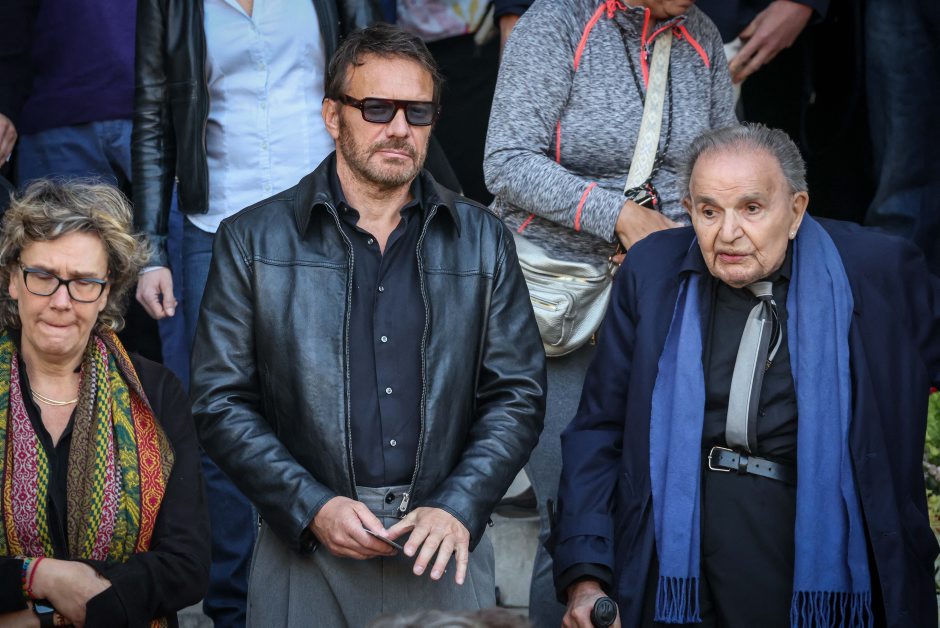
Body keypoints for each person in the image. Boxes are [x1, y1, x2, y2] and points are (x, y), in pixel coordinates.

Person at [191, 24, 545, 627]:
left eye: (417, 111)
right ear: (333, 116)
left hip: (442, 541)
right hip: (307, 544)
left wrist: (459, 504)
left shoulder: (485, 240)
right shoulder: (252, 241)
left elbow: (517, 393)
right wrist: (310, 505)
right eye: (377, 108)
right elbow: (219, 401)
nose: (399, 128)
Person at [551, 124, 940, 627]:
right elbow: (600, 429)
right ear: (688, 211)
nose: (728, 233)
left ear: (796, 210)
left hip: (813, 549)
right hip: (679, 553)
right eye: (709, 211)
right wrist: (585, 576)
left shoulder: (878, 271)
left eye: (751, 208)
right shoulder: (653, 272)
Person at [483, 1, 736, 625]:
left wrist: (676, 238)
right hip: (554, 306)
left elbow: (723, 167)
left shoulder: (701, 37)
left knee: (650, 506)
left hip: (661, 301)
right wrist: (619, 218)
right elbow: (506, 160)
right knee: (571, 519)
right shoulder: (559, 21)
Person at [132, 0, 352, 623]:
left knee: (331, 403)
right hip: (215, 221)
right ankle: (234, 606)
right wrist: (151, 248)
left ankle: (327, 588)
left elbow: (374, 75)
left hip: (324, 215)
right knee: (219, 417)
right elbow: (153, 114)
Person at [0, 180, 210, 627]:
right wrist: (35, 576)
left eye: (83, 282)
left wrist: (52, 612)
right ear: (13, 279)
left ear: (106, 291)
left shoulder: (156, 392)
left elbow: (187, 564)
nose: (61, 301)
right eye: (43, 276)